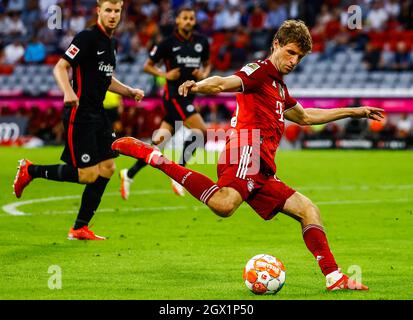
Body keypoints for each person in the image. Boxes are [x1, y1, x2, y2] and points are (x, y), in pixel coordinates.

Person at [112, 20, 384, 290]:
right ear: (276, 43)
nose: (293, 61)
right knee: (224, 204)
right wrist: (197, 87)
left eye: (299, 57)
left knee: (308, 210)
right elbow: (222, 83)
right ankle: (154, 157)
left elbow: (306, 116)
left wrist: (354, 110)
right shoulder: (259, 71)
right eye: (290, 52)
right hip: (245, 150)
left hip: (264, 167)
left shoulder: (278, 86)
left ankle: (334, 278)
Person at [13, 0, 145, 240]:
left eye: (117, 11)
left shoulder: (111, 43)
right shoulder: (86, 37)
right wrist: (68, 91)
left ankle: (79, 227)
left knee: (107, 168)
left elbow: (106, 78)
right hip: (80, 113)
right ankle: (30, 170)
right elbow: (60, 68)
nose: (113, 15)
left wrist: (128, 90)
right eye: (109, 10)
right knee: (87, 174)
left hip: (99, 113)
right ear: (99, 11)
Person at [119, 6, 211, 200]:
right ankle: (179, 174)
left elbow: (207, 63)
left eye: (191, 18)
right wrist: (165, 74)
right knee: (202, 131)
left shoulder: (202, 42)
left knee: (157, 145)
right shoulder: (167, 43)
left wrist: (203, 74)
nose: (188, 21)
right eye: (184, 18)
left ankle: (129, 174)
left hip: (189, 97)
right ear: (177, 20)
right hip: (174, 97)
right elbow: (147, 66)